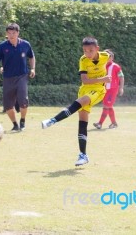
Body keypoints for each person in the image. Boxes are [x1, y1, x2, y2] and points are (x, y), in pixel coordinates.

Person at [41, 37, 111, 166]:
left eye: (90, 50)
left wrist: (109, 78)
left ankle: (53, 120)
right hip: (85, 88)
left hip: (98, 90)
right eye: (85, 50)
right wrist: (103, 78)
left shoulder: (105, 56)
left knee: (83, 101)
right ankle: (83, 155)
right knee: (83, 122)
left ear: (97, 49)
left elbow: (110, 56)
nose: (88, 53)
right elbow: (85, 81)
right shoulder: (83, 60)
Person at [0, 23, 36, 131]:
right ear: (6, 33)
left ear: (18, 33)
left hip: (22, 76)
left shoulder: (25, 44)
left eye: (13, 33)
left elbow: (32, 57)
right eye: (9, 33)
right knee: (8, 105)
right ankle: (15, 124)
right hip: (8, 78)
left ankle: (22, 120)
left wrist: (32, 68)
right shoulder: (2, 46)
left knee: (23, 100)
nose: (11, 35)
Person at [93, 49, 125, 129]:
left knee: (106, 106)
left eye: (108, 56)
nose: (106, 58)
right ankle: (114, 123)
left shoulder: (115, 66)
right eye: (104, 56)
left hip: (112, 90)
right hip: (104, 90)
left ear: (112, 58)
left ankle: (100, 123)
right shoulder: (102, 66)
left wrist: (121, 88)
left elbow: (121, 77)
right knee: (109, 106)